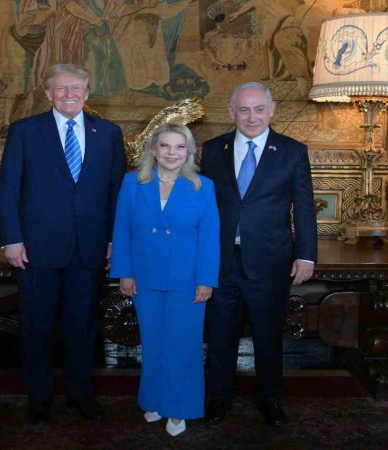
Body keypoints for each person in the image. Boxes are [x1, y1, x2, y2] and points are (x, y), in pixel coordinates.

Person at [0, 64, 126, 424]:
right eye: (61, 89)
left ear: (87, 92)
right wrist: (11, 238)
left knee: (82, 326)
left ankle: (80, 394)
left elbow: (117, 190)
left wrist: (115, 239)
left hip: (90, 247)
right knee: (37, 325)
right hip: (35, 247)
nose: (69, 95)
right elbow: (8, 186)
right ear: (48, 93)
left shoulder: (109, 133)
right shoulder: (25, 131)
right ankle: (39, 398)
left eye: (76, 88)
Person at [200, 81, 317, 427]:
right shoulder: (212, 149)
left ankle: (270, 399)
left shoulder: (292, 151)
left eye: (259, 109)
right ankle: (219, 398)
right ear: (232, 112)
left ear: (271, 110)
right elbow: (202, 206)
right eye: (244, 110)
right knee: (220, 335)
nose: (252, 117)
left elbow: (304, 207)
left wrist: (306, 255)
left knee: (268, 335)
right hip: (222, 260)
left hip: (270, 261)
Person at [110, 123, 220, 436]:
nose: (172, 153)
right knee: (153, 341)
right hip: (145, 276)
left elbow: (210, 237)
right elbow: (122, 229)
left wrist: (206, 280)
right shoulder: (133, 182)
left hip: (188, 279)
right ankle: (154, 400)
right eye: (165, 146)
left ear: (189, 152)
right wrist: (125, 272)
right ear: (153, 149)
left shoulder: (202, 186)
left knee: (183, 344)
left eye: (180, 146)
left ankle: (179, 407)